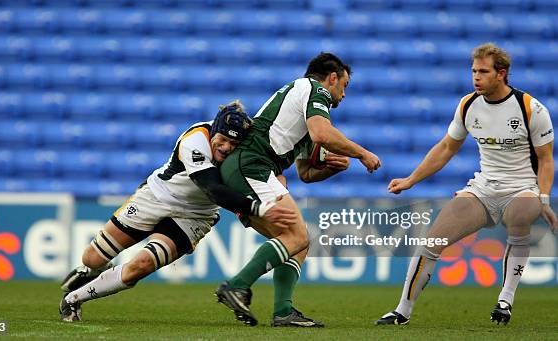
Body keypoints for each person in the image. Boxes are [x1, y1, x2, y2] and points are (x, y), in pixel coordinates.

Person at [59, 100, 298, 322]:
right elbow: (213, 188)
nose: (226, 148)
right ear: (214, 130)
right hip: (156, 197)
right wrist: (257, 207)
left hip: (195, 216)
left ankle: (73, 299)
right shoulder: (195, 139)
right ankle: (92, 270)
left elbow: (265, 168)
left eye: (233, 144)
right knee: (92, 258)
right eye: (222, 140)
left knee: (140, 266)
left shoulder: (242, 150)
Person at [375, 43, 557, 326]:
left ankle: (505, 299)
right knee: (432, 242)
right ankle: (402, 311)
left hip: (522, 188)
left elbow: (546, 160)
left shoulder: (530, 108)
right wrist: (411, 180)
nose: (476, 77)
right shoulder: (468, 104)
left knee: (519, 216)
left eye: (483, 71)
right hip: (483, 188)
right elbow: (447, 147)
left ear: (502, 74)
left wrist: (544, 199)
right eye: (474, 71)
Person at [215, 52, 381, 327]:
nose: (343, 94)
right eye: (345, 86)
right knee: (297, 235)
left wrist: (330, 168)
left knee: (297, 243)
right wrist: (362, 153)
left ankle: (283, 311)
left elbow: (305, 174)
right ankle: (236, 285)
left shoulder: (301, 109)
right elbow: (322, 134)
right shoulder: (314, 90)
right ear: (332, 78)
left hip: (246, 169)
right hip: (251, 166)